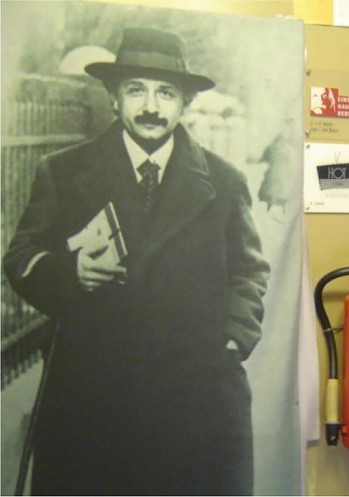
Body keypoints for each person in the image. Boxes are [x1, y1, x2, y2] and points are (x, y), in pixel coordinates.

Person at [3, 27, 270, 495]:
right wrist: (69, 273)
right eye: (136, 91)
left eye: (166, 93)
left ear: (184, 103)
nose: (151, 106)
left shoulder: (224, 182)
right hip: (91, 393)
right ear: (113, 98)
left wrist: (232, 336)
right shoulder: (64, 172)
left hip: (191, 394)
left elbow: (249, 271)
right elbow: (21, 257)